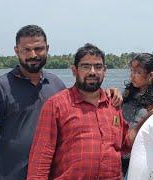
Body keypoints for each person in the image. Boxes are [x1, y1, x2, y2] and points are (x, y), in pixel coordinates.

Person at [0, 25, 121, 180]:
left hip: (51, 174)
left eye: (38, 49)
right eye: (26, 50)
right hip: (11, 174)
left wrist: (109, 93)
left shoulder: (55, 84)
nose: (33, 54)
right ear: (16, 50)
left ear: (47, 48)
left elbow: (82, 102)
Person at [27, 43, 145, 179]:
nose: (93, 72)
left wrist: (152, 115)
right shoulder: (56, 105)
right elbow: (41, 158)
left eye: (98, 67)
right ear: (74, 70)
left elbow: (124, 145)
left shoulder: (113, 104)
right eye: (86, 66)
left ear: (104, 70)